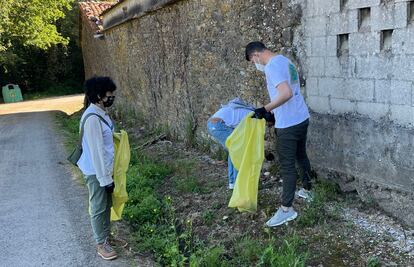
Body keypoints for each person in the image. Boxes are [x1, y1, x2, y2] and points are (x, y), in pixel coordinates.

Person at [245, 41, 312, 227]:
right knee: (301, 155)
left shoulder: (271, 67)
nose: (255, 64)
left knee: (287, 166)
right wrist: (273, 113)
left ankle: (286, 209)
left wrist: (264, 109)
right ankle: (308, 190)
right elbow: (290, 91)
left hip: (288, 124)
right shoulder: (284, 61)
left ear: (256, 55)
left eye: (253, 61)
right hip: (301, 117)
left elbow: (285, 93)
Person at [77, 76, 118, 260]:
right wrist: (105, 180)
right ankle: (101, 244)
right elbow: (96, 153)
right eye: (109, 94)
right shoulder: (92, 118)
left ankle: (106, 237)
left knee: (107, 205)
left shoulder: (101, 113)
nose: (112, 97)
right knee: (98, 207)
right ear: (99, 95)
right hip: (96, 172)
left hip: (105, 170)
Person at [207, 98, 261, 189]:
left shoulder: (248, 111)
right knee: (238, 151)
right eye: (269, 124)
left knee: (233, 151)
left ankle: (232, 183)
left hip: (213, 124)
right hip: (218, 125)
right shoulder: (253, 116)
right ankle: (238, 184)